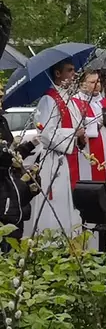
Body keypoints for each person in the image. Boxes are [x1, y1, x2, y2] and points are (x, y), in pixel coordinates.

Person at [33, 59, 82, 235]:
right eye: (69, 70)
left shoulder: (68, 99)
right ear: (58, 73)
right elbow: (46, 133)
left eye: (74, 70)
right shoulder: (48, 99)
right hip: (54, 161)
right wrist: (74, 133)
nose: (73, 74)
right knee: (56, 205)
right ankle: (52, 244)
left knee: (70, 205)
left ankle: (72, 241)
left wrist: (80, 133)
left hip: (69, 158)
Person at [68, 70, 106, 200]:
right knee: (89, 179)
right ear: (82, 84)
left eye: (98, 81)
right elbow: (75, 126)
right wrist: (97, 123)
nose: (97, 85)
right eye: (92, 82)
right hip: (87, 151)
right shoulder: (74, 103)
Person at [0, 87, 40, 250]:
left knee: (15, 229)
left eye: (1, 96)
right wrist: (9, 159)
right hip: (3, 185)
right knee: (6, 231)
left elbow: (10, 151)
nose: (1, 100)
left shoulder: (2, 120)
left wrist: (30, 145)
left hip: (11, 183)